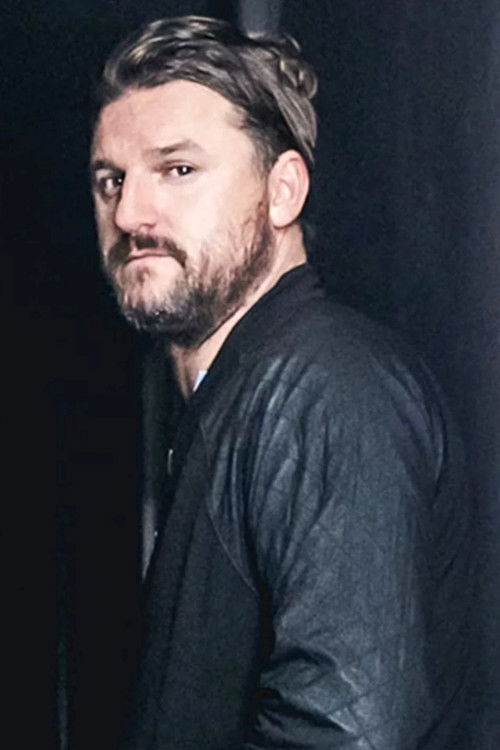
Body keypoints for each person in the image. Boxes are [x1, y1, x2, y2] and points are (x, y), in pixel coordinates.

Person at [90, 15, 474, 749]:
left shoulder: (324, 388)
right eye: (112, 179)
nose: (130, 213)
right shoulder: (242, 394)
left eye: (178, 170)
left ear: (282, 190)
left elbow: (345, 735)